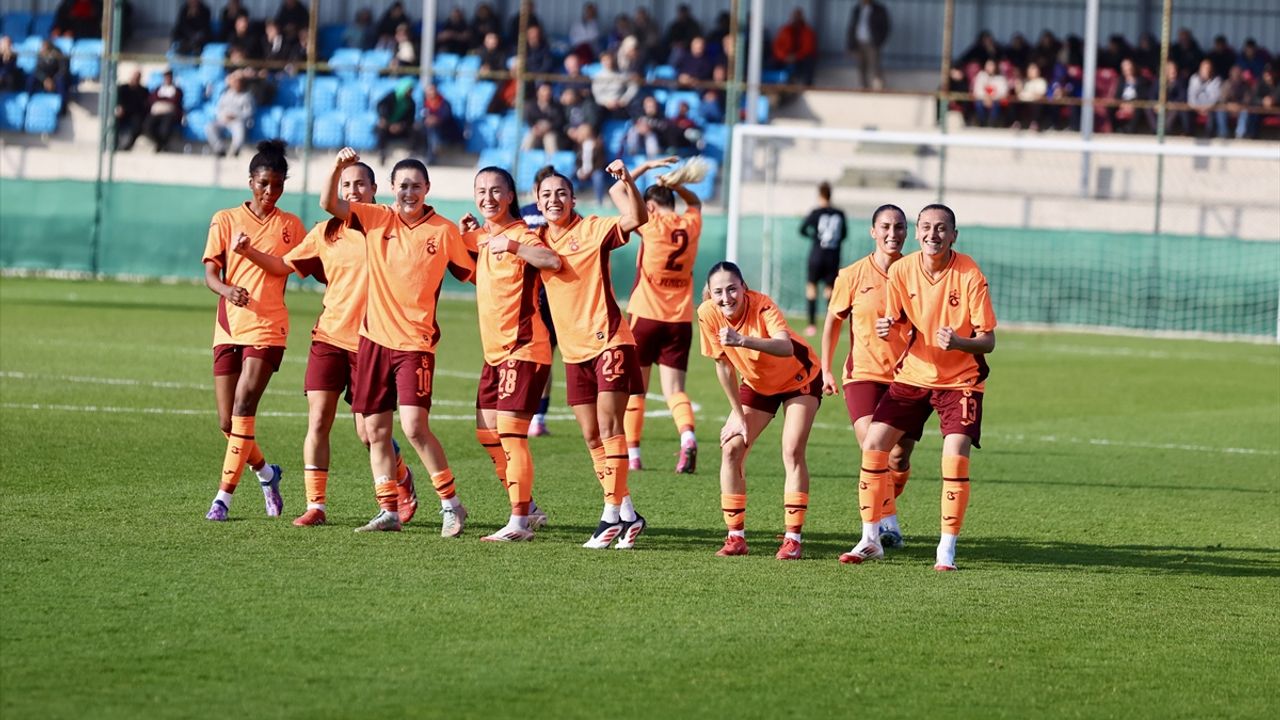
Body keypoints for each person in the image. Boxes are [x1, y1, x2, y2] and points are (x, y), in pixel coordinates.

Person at [227, 161, 418, 527]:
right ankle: (316, 506)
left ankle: (402, 477)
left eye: (360, 184)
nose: (353, 191)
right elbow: (283, 265)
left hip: (373, 342)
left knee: (368, 433)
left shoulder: (387, 226)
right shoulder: (324, 232)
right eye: (347, 185)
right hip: (329, 338)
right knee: (318, 420)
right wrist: (249, 252)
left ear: (374, 189)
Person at [320, 148, 476, 535]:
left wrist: (476, 237)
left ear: (427, 188)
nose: (409, 192)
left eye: (416, 186)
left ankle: (452, 505)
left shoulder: (443, 231)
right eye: (403, 185)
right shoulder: (375, 217)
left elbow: (472, 273)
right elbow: (329, 204)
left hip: (415, 345)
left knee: (415, 428)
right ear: (391, 188)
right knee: (375, 432)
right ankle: (388, 510)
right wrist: (338, 167)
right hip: (372, 341)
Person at [840, 204, 996, 571]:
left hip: (961, 380)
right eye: (926, 227)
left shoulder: (970, 274)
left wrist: (959, 342)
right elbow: (897, 321)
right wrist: (887, 327)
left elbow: (988, 341)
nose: (932, 234)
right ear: (918, 231)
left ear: (953, 235)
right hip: (913, 376)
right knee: (874, 445)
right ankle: (870, 539)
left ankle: (946, 550)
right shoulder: (902, 270)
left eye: (941, 228)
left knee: (954, 454)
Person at [534, 161, 649, 549]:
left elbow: (637, 217)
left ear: (573, 199)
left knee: (610, 427)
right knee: (590, 435)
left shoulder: (593, 228)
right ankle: (629, 513)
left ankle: (609, 516)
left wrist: (627, 180)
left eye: (561, 193)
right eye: (547, 195)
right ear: (537, 202)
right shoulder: (536, 239)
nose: (554, 200)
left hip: (609, 341)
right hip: (573, 350)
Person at [201, 139, 304, 522]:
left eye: (277, 185)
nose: (270, 191)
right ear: (250, 182)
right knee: (227, 422)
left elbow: (292, 267)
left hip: (268, 326)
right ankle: (266, 473)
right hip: (229, 326)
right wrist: (227, 290)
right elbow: (211, 274)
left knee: (245, 406)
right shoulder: (225, 219)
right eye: (263, 183)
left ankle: (222, 500)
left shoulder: (291, 225)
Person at [458, 167, 561, 541]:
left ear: (511, 196)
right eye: (481, 190)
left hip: (524, 347)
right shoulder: (482, 237)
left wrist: (512, 246)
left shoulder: (522, 234)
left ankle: (518, 523)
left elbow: (552, 261)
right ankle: (528, 507)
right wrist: (466, 237)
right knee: (486, 433)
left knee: (511, 434)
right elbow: (469, 271)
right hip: (494, 353)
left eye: (496, 190)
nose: (488, 197)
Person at [698, 261, 821, 560]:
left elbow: (785, 346)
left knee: (792, 450)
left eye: (732, 289)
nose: (726, 297)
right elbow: (723, 366)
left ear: (744, 288)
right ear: (709, 294)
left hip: (800, 378)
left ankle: (792, 539)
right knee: (731, 448)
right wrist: (738, 416)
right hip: (757, 384)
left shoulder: (763, 305)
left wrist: (742, 340)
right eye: (718, 291)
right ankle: (736, 537)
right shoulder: (707, 313)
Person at [820, 205, 919, 548]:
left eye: (899, 227)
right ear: (873, 232)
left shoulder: (916, 273)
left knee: (898, 458)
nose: (893, 233)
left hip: (908, 377)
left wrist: (901, 326)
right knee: (873, 451)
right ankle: (887, 526)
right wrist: (826, 369)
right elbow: (833, 322)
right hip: (862, 374)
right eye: (886, 226)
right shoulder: (851, 275)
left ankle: (885, 512)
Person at [624, 157, 701, 474]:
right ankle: (687, 437)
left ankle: (633, 455)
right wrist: (678, 184)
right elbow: (695, 202)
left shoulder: (650, 225)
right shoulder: (691, 224)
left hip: (645, 316)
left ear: (651, 207)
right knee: (675, 390)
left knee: (636, 389)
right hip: (679, 321)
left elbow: (621, 193)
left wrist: (642, 170)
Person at [799, 182, 847, 337]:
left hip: (817, 255)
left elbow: (802, 229)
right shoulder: (839, 213)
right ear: (830, 195)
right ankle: (831, 324)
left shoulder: (816, 212)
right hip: (833, 256)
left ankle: (812, 326)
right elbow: (844, 234)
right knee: (829, 291)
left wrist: (815, 236)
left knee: (811, 288)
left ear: (820, 195)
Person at [206, 71, 255, 157]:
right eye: (234, 82)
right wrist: (223, 116)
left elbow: (249, 112)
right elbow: (218, 109)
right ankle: (219, 148)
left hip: (237, 120)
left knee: (239, 128)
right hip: (223, 119)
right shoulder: (225, 94)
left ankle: (236, 149)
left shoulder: (247, 96)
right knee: (210, 127)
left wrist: (236, 116)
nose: (236, 84)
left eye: (238, 82)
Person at [847, 0, 890, 90]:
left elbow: (885, 27)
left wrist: (879, 40)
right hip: (859, 42)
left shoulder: (878, 10)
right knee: (861, 66)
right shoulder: (857, 9)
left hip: (872, 42)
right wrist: (850, 45)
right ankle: (864, 87)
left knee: (875, 65)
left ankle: (877, 87)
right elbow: (852, 27)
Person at [375, 77, 419, 164]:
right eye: (409, 90)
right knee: (380, 128)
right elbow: (381, 106)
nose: (410, 92)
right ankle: (382, 153)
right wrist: (385, 119)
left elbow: (410, 119)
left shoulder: (411, 102)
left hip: (401, 128)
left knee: (416, 129)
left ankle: (412, 153)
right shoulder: (391, 97)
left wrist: (400, 125)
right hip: (387, 125)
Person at [773, 8, 818, 86]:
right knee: (773, 62)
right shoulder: (785, 30)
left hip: (800, 58)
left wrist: (796, 56)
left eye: (798, 17)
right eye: (794, 17)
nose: (796, 19)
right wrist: (784, 56)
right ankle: (776, 83)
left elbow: (808, 48)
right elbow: (777, 47)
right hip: (786, 57)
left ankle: (807, 85)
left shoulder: (807, 31)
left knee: (810, 61)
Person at [1108, 58, 1154, 134]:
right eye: (1124, 67)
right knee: (1110, 107)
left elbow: (1143, 95)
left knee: (1138, 108)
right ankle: (1115, 129)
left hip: (1135, 103)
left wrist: (1132, 104)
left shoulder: (1141, 80)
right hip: (1122, 102)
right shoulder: (1120, 80)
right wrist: (1121, 104)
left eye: (1128, 66)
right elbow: (1117, 95)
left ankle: (1130, 129)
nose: (1126, 69)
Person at [144, 69, 184, 152]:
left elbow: (175, 102)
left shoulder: (177, 90)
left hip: (169, 113)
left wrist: (163, 101)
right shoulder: (158, 89)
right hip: (157, 112)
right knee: (147, 126)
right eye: (166, 77)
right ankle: (160, 143)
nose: (168, 79)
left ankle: (162, 145)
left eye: (169, 77)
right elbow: (152, 100)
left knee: (165, 128)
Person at [522, 82, 565, 154]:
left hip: (551, 132)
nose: (547, 93)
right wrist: (535, 128)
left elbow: (559, 122)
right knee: (529, 136)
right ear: (538, 92)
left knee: (549, 139)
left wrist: (549, 126)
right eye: (544, 90)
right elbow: (529, 120)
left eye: (549, 90)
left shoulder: (556, 106)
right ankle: (523, 158)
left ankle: (552, 160)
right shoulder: (531, 105)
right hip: (536, 131)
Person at [113, 69, 148, 151]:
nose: (135, 79)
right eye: (134, 77)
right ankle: (114, 143)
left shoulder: (143, 91)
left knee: (138, 124)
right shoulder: (123, 88)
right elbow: (118, 101)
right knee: (115, 122)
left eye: (138, 77)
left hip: (136, 114)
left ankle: (128, 145)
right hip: (123, 112)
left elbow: (144, 105)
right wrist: (119, 108)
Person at [1187, 58, 1223, 138]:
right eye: (1204, 68)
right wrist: (1197, 108)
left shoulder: (1216, 80)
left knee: (1214, 111)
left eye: (1208, 68)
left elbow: (1214, 98)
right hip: (1196, 107)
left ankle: (1209, 134)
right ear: (1200, 69)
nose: (1207, 70)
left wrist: (1206, 108)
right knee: (1186, 110)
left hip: (1210, 108)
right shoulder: (1194, 79)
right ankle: (1189, 134)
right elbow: (1191, 96)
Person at [971, 59, 1009, 127]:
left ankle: (992, 124)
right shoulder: (981, 76)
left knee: (996, 104)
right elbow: (977, 90)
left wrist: (991, 97)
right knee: (978, 104)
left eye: (991, 65)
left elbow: (1003, 92)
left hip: (996, 100)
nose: (989, 67)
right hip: (983, 100)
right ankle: (982, 124)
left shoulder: (1000, 78)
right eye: (988, 65)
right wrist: (986, 97)